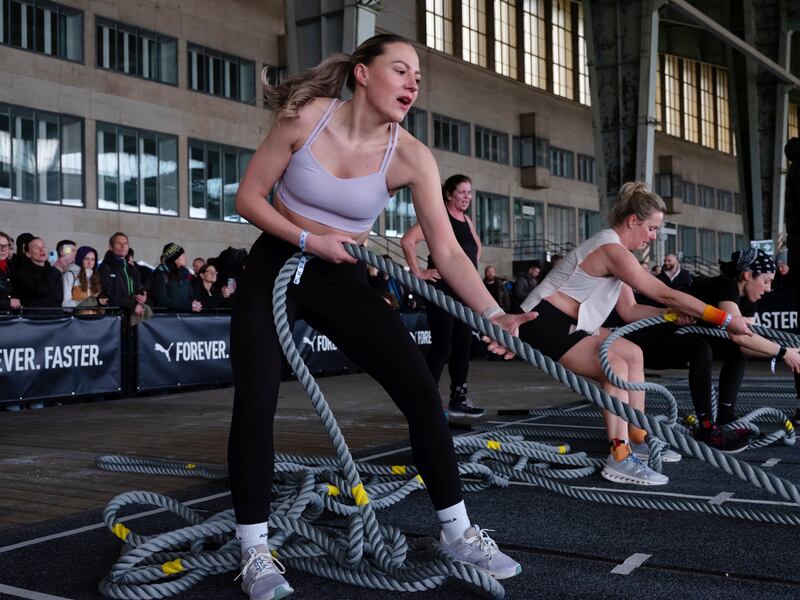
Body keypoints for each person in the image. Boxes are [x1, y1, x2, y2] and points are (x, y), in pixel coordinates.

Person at [230, 34, 535, 599]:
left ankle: (459, 531)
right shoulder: (307, 117)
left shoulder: (413, 156)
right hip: (276, 261)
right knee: (255, 397)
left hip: (342, 276)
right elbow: (249, 197)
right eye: (401, 70)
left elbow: (446, 252)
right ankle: (253, 550)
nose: (413, 83)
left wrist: (497, 313)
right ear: (364, 74)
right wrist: (307, 238)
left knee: (421, 391)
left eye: (418, 76)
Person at [516, 182, 752, 486]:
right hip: (543, 320)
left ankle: (637, 436)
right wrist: (724, 318)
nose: (653, 236)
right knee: (613, 365)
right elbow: (663, 292)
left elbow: (630, 310)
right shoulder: (611, 249)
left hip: (571, 322)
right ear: (633, 221)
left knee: (632, 353)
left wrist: (671, 317)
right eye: (652, 228)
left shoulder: (619, 252)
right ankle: (619, 455)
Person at [627, 248, 799, 452]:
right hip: (652, 340)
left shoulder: (749, 301)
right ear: (747, 275)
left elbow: (747, 345)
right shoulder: (726, 285)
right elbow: (739, 335)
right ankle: (707, 428)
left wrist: (788, 352)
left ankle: (726, 418)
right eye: (766, 281)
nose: (769, 288)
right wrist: (784, 353)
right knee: (701, 349)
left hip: (683, 341)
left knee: (734, 351)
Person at [401, 174, 486, 418]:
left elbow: (476, 248)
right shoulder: (440, 217)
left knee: (463, 345)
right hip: (442, 290)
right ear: (448, 194)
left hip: (463, 291)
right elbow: (408, 241)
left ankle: (459, 399)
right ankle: (425, 400)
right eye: (462, 192)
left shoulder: (467, 220)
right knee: (442, 346)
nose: (467, 197)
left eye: (469, 193)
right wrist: (419, 273)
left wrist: (467, 274)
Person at [98, 232, 149, 324]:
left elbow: (139, 288)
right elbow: (107, 295)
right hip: (114, 319)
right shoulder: (105, 267)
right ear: (111, 247)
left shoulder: (131, 267)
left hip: (133, 318)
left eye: (125, 243)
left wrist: (142, 296)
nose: (123, 246)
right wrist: (133, 305)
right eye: (118, 243)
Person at [150, 242, 202, 313]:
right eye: (183, 255)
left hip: (184, 318)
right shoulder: (161, 275)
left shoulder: (184, 274)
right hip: (167, 320)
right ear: (176, 259)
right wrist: (188, 306)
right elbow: (162, 301)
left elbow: (191, 295)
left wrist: (195, 303)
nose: (185, 257)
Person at [62, 246, 107, 314]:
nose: (90, 262)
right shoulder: (70, 275)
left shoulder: (95, 276)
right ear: (80, 258)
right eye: (86, 259)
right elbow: (65, 305)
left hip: (95, 320)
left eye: (93, 259)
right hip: (77, 321)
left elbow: (97, 302)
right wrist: (88, 303)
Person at [0, 231, 20, 311]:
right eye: (0, 246)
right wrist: (8, 303)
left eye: (6, 246)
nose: (3, 249)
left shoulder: (8, 267)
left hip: (7, 319)